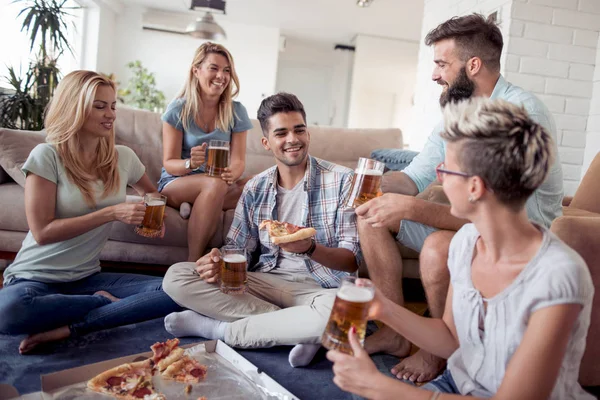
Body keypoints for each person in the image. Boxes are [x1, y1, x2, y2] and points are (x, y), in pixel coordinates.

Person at [328, 97, 594, 400]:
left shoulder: (557, 277)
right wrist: (385, 309)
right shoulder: (466, 243)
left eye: (447, 170)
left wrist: (381, 388)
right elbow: (453, 339)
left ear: (475, 187)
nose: (438, 176)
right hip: (456, 384)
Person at [357, 13, 564, 382]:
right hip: (476, 223)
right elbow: (417, 175)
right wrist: (369, 187)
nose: (435, 74)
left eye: (441, 63)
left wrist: (413, 206)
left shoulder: (521, 114)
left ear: (473, 64)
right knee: (370, 214)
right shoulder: (458, 110)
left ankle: (439, 351)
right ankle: (397, 333)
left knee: (439, 247)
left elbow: (503, 216)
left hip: (521, 232)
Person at [162, 92, 361, 368]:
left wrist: (311, 248)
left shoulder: (343, 180)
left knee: (346, 316)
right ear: (267, 143)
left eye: (299, 130)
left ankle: (217, 330)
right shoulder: (255, 187)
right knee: (177, 276)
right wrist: (218, 260)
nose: (292, 139)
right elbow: (237, 249)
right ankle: (292, 329)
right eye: (281, 133)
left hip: (321, 289)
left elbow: (351, 259)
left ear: (308, 134)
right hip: (264, 284)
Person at [0, 71, 181, 354]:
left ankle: (73, 326)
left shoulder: (123, 157)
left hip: (86, 279)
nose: (110, 114)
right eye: (99, 106)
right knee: (8, 311)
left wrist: (152, 216)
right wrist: (111, 213)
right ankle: (103, 306)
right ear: (74, 108)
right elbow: (42, 232)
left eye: (113, 106)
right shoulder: (47, 156)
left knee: (176, 291)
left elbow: (153, 194)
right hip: (34, 279)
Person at [158, 42, 253, 262]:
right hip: (178, 182)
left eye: (227, 70)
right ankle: (193, 263)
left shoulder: (236, 111)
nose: (221, 75)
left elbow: (238, 161)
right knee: (214, 184)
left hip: (216, 181)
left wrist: (234, 173)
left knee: (262, 183)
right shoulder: (178, 109)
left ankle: (200, 204)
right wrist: (189, 163)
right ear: (196, 70)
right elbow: (169, 162)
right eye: (214, 68)